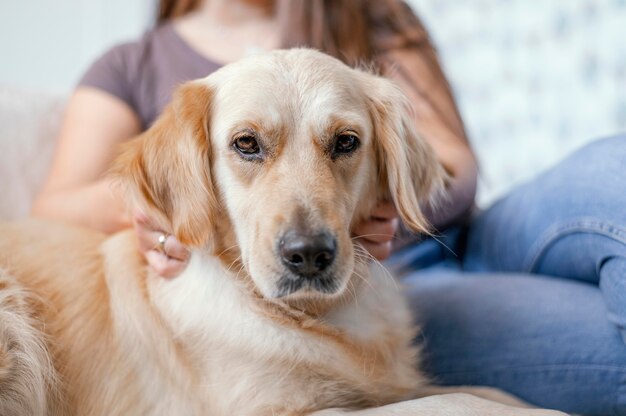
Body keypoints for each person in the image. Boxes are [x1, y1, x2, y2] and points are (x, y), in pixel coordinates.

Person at [30, 1, 626, 414]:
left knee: (614, 169)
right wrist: (174, 206)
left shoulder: (364, 11)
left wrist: (382, 195)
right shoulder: (132, 63)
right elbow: (57, 205)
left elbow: (452, 163)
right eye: (247, 146)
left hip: (454, 236)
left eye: (341, 144)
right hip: (411, 289)